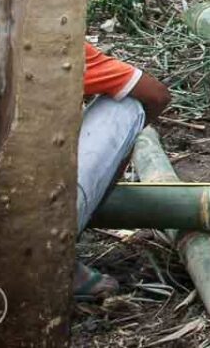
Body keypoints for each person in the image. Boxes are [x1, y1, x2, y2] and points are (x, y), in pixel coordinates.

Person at [76, 43, 171, 300]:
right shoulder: (52, 35)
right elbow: (155, 94)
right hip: (25, 219)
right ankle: (52, 255)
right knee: (127, 104)